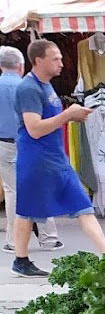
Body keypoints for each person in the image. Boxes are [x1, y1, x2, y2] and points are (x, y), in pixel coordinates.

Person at [12, 39, 105, 278]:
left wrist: (71, 116)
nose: (61, 63)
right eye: (55, 58)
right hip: (35, 158)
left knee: (83, 206)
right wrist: (68, 114)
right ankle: (21, 259)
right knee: (26, 211)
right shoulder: (29, 88)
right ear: (38, 61)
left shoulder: (46, 86)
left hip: (55, 157)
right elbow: (34, 128)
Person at [0, 47, 60, 256]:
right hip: (31, 142)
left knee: (12, 191)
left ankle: (13, 241)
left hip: (4, 143)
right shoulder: (30, 86)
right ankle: (49, 237)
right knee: (39, 186)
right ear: (21, 65)